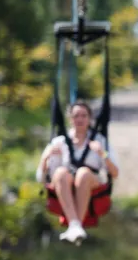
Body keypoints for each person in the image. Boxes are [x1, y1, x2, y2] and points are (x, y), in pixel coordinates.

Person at [36, 100, 119, 243]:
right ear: (70, 119)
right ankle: (76, 226)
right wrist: (45, 157)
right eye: (76, 116)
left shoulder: (99, 141)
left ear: (89, 118)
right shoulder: (59, 143)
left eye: (83, 116)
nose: (79, 119)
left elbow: (115, 173)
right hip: (64, 183)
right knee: (61, 172)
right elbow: (41, 177)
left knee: (83, 173)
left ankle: (75, 226)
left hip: (89, 181)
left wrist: (102, 154)